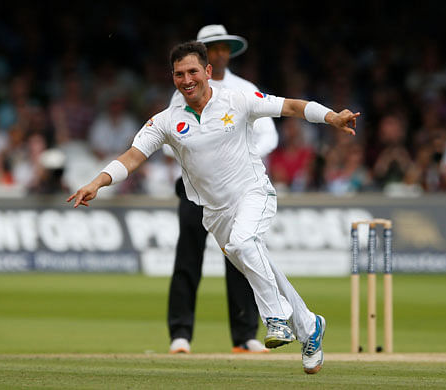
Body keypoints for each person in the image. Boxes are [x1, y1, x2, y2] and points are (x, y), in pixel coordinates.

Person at [67, 41, 359, 374]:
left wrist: (332, 117)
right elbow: (132, 157)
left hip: (253, 194)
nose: (186, 79)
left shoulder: (237, 99)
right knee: (260, 266)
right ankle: (310, 325)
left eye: (193, 71)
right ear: (173, 77)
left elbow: (292, 107)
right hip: (215, 213)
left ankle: (277, 320)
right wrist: (97, 182)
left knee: (244, 243)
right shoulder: (165, 120)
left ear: (207, 72)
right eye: (179, 74)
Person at [165, 25, 278, 355]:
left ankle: (245, 335)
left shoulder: (244, 89)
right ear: (203, 54)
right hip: (194, 187)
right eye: (212, 47)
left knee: (242, 255)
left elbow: (270, 134)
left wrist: (243, 157)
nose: (219, 52)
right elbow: (170, 132)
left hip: (237, 188)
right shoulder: (185, 87)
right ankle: (180, 334)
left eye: (224, 47)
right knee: (188, 257)